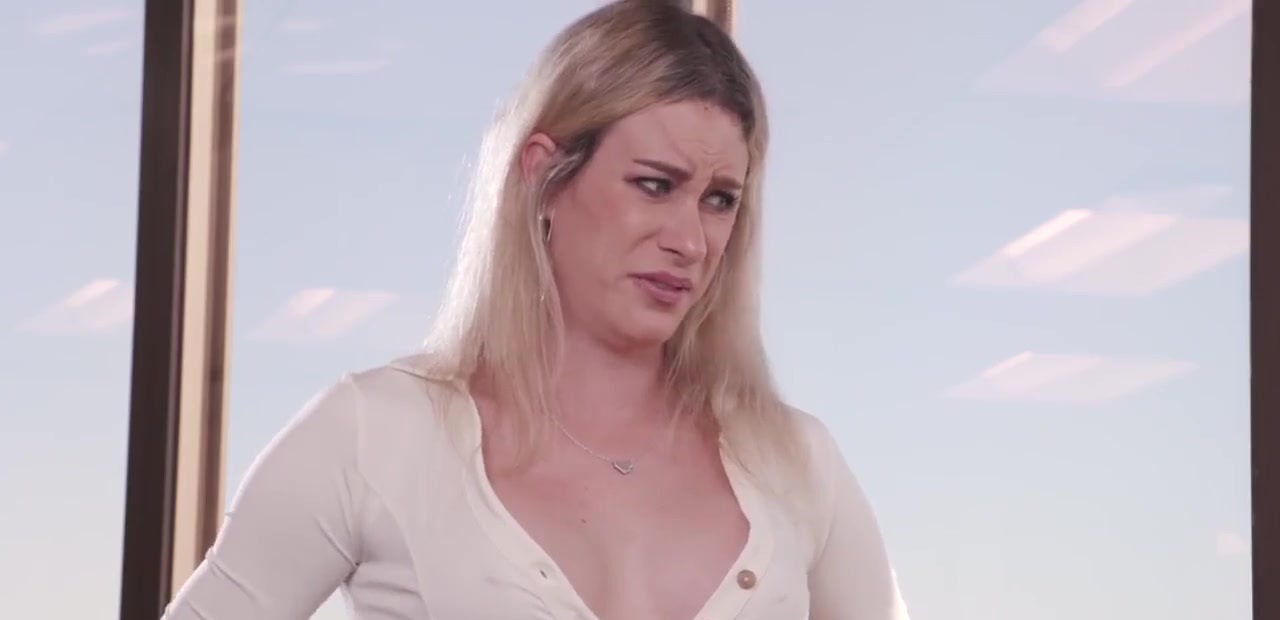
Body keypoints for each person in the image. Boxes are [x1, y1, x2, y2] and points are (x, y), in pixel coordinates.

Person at [163, 1, 909, 618]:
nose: (689, 240)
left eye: (719, 200)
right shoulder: (374, 435)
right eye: (654, 185)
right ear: (545, 176)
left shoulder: (795, 464)